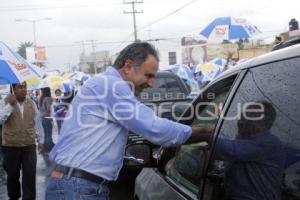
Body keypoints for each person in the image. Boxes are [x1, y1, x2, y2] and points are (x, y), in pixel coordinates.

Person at [45, 42, 211, 200]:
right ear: (128, 66)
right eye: (149, 75)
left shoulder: (104, 84)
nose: (152, 83)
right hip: (77, 187)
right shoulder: (112, 86)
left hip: (75, 185)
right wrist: (206, 133)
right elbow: (153, 127)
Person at [214, 101, 285, 200]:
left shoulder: (268, 143)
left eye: (252, 116)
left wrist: (202, 135)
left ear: (265, 124)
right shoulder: (246, 139)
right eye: (245, 114)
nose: (243, 119)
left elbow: (230, 151)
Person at [0, 82, 44, 200]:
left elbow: (37, 122)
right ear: (13, 89)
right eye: (20, 87)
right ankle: (13, 197)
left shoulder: (31, 103)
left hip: (29, 145)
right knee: (12, 175)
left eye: (24, 87)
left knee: (30, 175)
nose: (23, 90)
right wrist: (10, 105)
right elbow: (0, 120)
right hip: (11, 145)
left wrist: (41, 140)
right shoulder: (4, 102)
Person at [39, 87, 55, 153]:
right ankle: (49, 148)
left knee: (45, 134)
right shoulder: (48, 99)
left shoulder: (41, 98)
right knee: (48, 134)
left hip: (42, 118)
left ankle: (46, 147)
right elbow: (48, 109)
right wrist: (51, 103)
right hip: (47, 118)